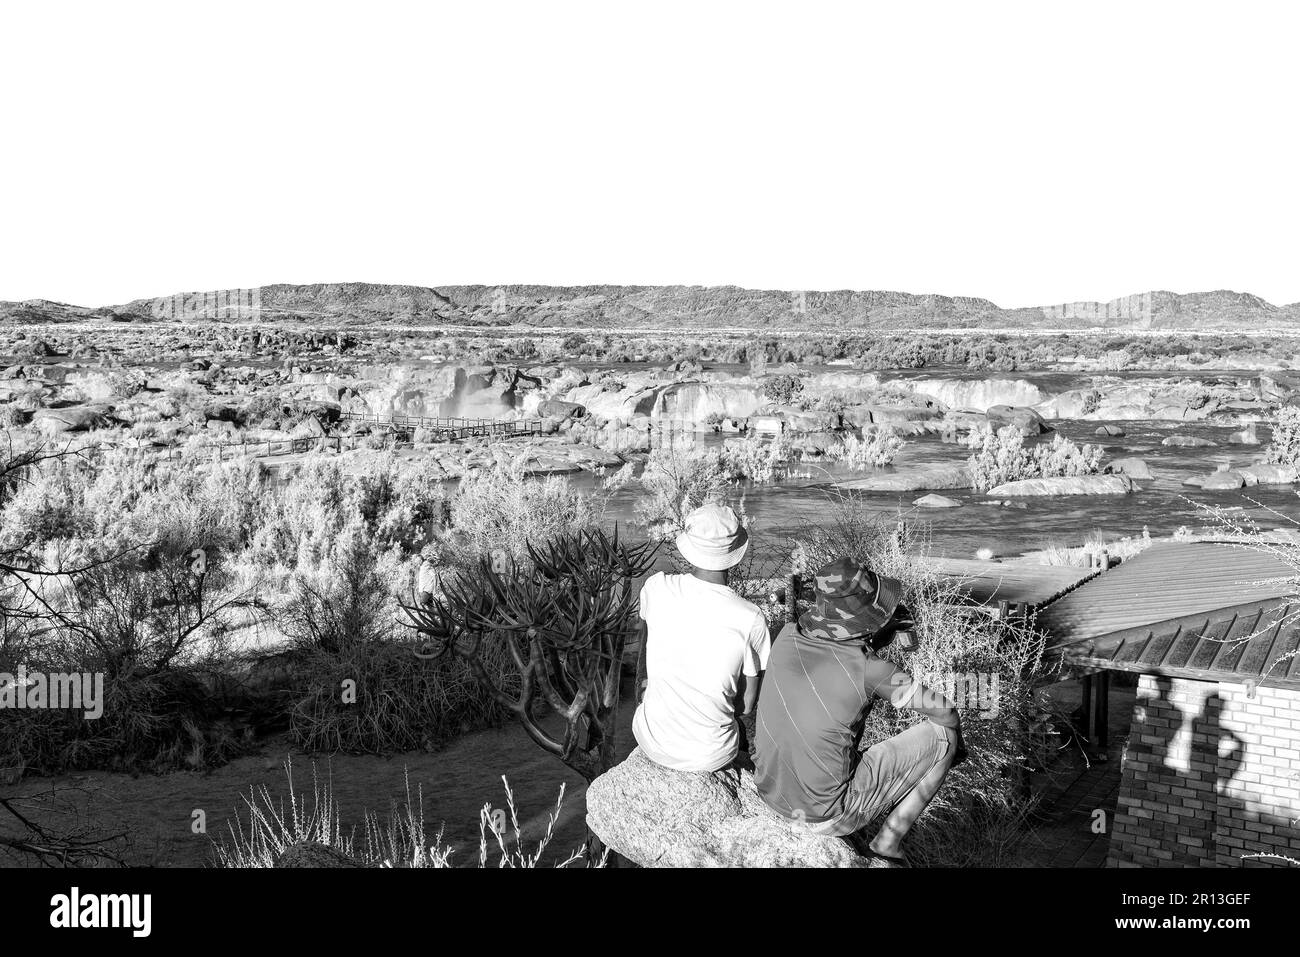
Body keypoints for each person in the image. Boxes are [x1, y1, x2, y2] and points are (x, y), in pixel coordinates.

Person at [754, 557, 967, 867]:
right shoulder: (871, 669)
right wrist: (957, 744)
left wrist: (874, 635)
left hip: (772, 795)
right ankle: (888, 843)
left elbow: (838, 660)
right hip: (827, 817)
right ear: (868, 617)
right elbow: (944, 711)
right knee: (943, 736)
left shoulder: (786, 636)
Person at [631, 504, 771, 773]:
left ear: (689, 548)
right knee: (736, 727)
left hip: (651, 739)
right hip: (711, 755)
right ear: (735, 554)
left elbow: (645, 657)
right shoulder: (750, 618)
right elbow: (745, 706)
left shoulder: (656, 587)